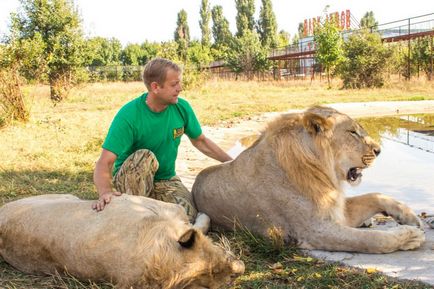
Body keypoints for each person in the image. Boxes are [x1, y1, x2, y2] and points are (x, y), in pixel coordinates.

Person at [92, 58, 232, 229]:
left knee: (188, 218)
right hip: (132, 178)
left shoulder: (182, 108)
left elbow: (201, 141)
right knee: (145, 157)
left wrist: (232, 163)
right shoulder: (129, 115)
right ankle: (136, 214)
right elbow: (104, 162)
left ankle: (153, 210)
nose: (180, 88)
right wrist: (105, 191)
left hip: (166, 179)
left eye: (179, 83)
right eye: (174, 84)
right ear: (155, 87)